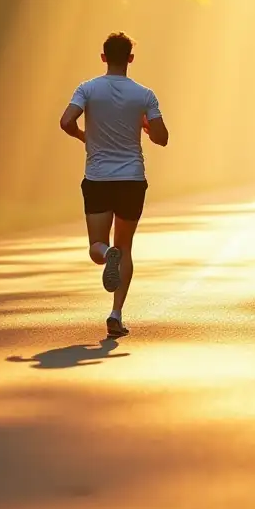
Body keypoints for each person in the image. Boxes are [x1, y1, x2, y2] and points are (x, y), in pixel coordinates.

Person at [60, 31, 168, 338]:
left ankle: (108, 256)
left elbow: (66, 121)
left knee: (98, 247)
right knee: (126, 245)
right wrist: (146, 127)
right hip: (132, 179)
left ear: (103, 57)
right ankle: (116, 315)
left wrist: (86, 138)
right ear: (131, 58)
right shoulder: (145, 95)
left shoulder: (88, 89)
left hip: (97, 178)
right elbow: (163, 138)